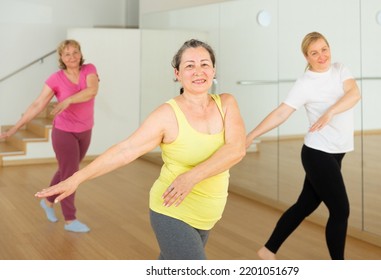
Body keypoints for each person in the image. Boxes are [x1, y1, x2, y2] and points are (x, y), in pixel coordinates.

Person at [35, 39, 246, 259]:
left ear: (213, 69)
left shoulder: (227, 103)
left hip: (207, 214)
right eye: (189, 66)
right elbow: (126, 150)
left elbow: (236, 149)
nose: (198, 71)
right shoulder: (167, 115)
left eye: (204, 64)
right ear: (177, 73)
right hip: (172, 210)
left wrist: (191, 177)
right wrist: (76, 178)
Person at [246, 32, 361, 260]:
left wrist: (330, 112)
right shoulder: (305, 83)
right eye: (314, 53)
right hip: (317, 153)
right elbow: (281, 113)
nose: (321, 56)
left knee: (305, 205)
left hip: (336, 152)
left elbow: (354, 94)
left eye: (324, 49)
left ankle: (268, 250)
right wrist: (251, 136)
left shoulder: (340, 69)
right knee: (341, 210)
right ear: (306, 57)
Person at [1, 39, 99, 233]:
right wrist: (14, 129)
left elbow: (92, 91)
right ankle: (70, 219)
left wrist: (69, 99)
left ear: (80, 54)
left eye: (75, 52)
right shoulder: (55, 79)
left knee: (66, 170)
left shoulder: (89, 70)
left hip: (85, 130)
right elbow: (38, 105)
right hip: (64, 131)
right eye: (67, 54)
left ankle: (48, 201)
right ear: (61, 58)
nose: (72, 57)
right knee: (71, 174)